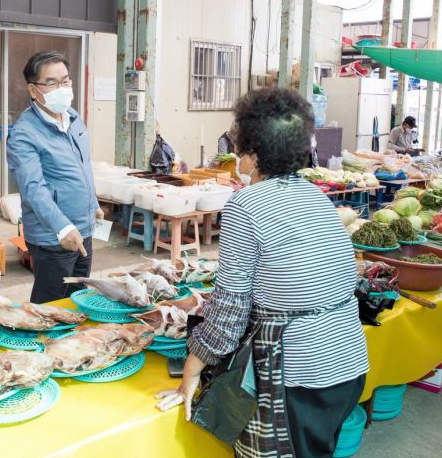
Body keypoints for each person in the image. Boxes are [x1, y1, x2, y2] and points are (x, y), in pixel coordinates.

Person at [156, 88, 369, 458]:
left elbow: (231, 309)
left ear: (252, 152)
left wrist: (192, 369)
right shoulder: (314, 193)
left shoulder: (246, 203)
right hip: (347, 362)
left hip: (299, 375)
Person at [7, 51, 101, 304]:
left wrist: (93, 203)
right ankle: (41, 342)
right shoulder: (24, 133)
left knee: (79, 299)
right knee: (50, 305)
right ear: (33, 89)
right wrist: (63, 227)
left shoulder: (74, 118)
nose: (62, 88)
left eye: (66, 81)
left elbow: (83, 166)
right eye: (52, 83)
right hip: (54, 237)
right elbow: (33, 189)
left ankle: (72, 343)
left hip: (84, 229)